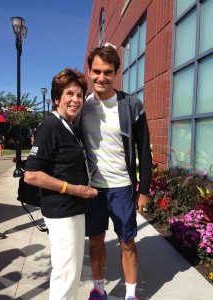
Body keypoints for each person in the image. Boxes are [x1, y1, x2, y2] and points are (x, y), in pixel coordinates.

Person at [80, 44, 152, 300]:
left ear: (115, 74)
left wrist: (143, 191)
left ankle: (130, 294)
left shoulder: (130, 104)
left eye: (107, 72)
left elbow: (144, 150)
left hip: (122, 187)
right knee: (96, 242)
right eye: (96, 71)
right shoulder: (81, 106)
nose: (101, 77)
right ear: (89, 72)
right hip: (92, 189)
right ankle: (99, 290)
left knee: (127, 243)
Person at [24, 68, 98, 300]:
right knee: (66, 273)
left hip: (73, 209)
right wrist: (74, 189)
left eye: (79, 95)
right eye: (69, 94)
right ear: (57, 98)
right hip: (62, 211)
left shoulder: (69, 127)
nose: (75, 100)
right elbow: (31, 175)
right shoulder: (50, 127)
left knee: (72, 272)